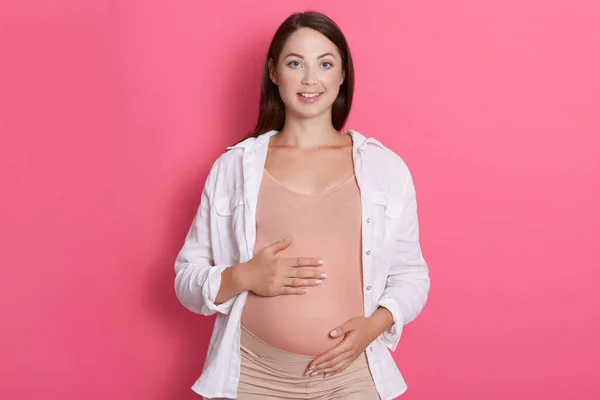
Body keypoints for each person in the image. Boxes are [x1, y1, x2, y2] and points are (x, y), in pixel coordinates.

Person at [174, 10, 430, 400]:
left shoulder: (384, 168)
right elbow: (186, 280)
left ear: (342, 75)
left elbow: (411, 275)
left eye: (325, 64)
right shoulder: (234, 168)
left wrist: (376, 325)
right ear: (274, 72)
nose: (310, 78)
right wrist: (244, 276)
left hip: (351, 378)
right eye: (296, 63)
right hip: (253, 377)